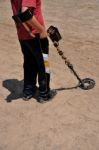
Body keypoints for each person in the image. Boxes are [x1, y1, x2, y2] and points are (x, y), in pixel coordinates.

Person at [10, 0, 57, 102]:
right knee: (44, 64)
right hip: (36, 35)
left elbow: (17, 15)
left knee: (29, 63)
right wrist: (41, 30)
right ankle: (44, 94)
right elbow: (24, 11)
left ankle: (28, 91)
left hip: (22, 35)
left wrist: (26, 30)